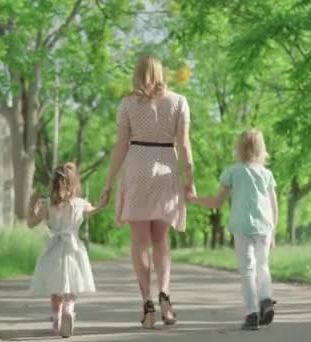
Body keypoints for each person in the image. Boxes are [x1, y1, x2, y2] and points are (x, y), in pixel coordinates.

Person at [97, 55, 195, 329]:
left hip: (136, 168)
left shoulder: (127, 104)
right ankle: (165, 295)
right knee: (161, 242)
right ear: (162, 72)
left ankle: (147, 304)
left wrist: (107, 184)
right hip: (166, 168)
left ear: (137, 74)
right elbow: (184, 145)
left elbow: (119, 146)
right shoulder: (179, 102)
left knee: (140, 241)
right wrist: (190, 179)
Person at [187, 129, 278, 331]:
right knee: (263, 266)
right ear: (262, 149)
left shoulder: (233, 171)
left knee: (247, 269)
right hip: (265, 226)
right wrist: (274, 230)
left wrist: (195, 199)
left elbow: (217, 203)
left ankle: (252, 313)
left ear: (239, 148)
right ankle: (266, 300)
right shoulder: (267, 174)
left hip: (242, 225)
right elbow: (274, 205)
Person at [27, 162, 98, 338]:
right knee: (71, 286)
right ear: (75, 185)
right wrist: (104, 200)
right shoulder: (79, 204)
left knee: (55, 286)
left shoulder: (46, 204)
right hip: (73, 249)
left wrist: (31, 203)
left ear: (53, 183)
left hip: (53, 249)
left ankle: (56, 318)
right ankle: (69, 308)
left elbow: (31, 223)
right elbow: (95, 210)